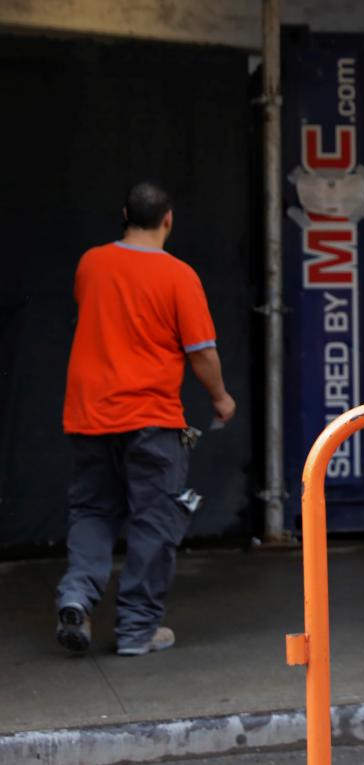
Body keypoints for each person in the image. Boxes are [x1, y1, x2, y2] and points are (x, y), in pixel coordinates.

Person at [56, 182, 236, 657]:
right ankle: (137, 631)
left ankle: (77, 596)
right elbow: (202, 353)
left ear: (123, 214)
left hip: (89, 415)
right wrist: (220, 397)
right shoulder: (179, 276)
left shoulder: (91, 264)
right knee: (154, 521)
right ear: (169, 220)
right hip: (152, 419)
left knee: (93, 512)